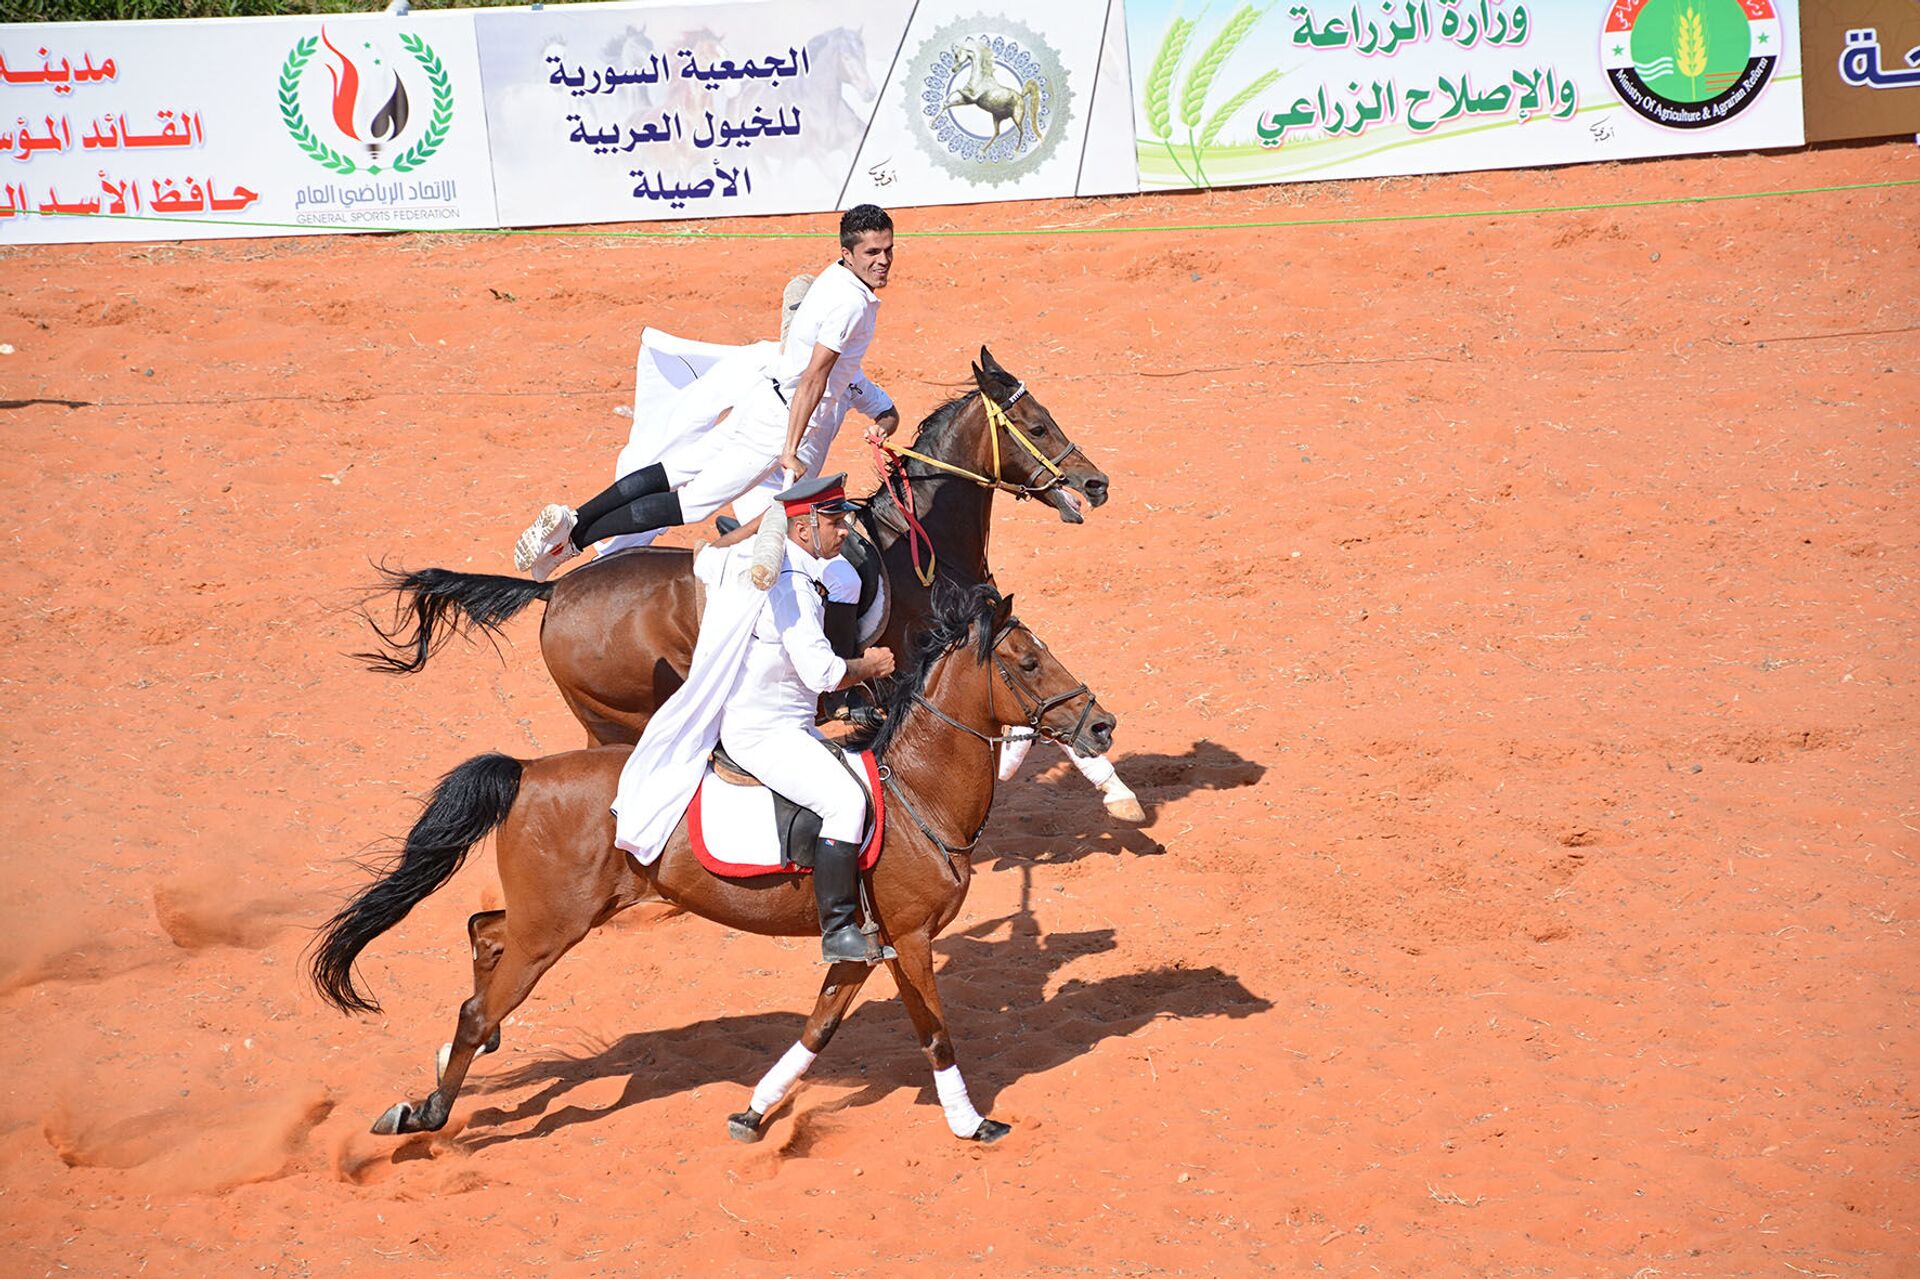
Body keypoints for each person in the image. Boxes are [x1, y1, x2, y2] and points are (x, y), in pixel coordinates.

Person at [514, 204, 903, 581]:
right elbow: (814, 379)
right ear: (847, 253)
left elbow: (834, 380)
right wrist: (789, 448)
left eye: (888, 249)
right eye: (872, 252)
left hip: (763, 401)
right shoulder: (851, 303)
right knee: (690, 503)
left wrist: (882, 424)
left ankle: (575, 517)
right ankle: (574, 542)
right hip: (782, 425)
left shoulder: (835, 278)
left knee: (674, 471)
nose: (883, 260)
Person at [610, 473, 896, 964]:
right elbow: (822, 671)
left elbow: (711, 557)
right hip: (768, 734)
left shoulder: (766, 562)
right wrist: (871, 665)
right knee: (847, 802)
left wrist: (763, 525)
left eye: (844, 519)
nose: (845, 530)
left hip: (766, 720)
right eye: (834, 521)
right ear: (803, 531)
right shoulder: (796, 587)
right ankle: (839, 928)